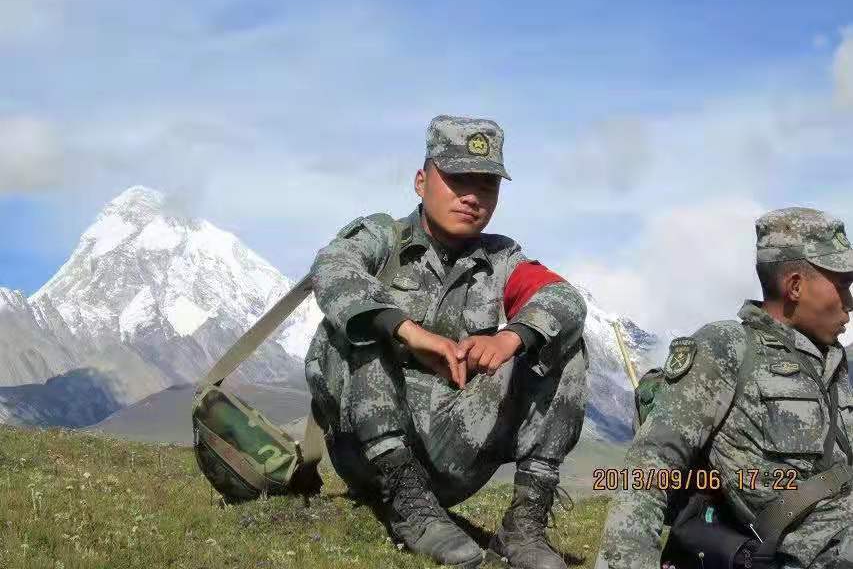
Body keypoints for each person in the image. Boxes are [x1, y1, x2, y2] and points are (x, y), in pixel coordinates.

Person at [305, 114, 588, 569]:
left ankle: (524, 525)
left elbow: (564, 297)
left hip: (453, 449)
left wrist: (512, 337)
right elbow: (332, 267)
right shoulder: (383, 238)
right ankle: (407, 506)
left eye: (487, 185)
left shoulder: (502, 259)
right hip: (367, 453)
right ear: (421, 182)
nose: (472, 197)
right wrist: (407, 330)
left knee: (561, 340)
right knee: (357, 324)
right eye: (457, 180)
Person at [596, 207, 853, 569]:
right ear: (795, 286)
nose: (850, 302)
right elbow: (652, 464)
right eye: (842, 285)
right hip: (809, 552)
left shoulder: (831, 360)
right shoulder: (727, 347)